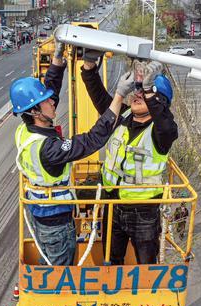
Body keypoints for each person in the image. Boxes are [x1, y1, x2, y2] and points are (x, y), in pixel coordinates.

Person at [11, 40, 130, 266]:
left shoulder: (26, 129)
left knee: (48, 260)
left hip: (42, 214)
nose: (53, 102)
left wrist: (57, 59)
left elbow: (51, 91)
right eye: (46, 101)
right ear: (35, 111)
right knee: (60, 271)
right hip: (55, 221)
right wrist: (119, 97)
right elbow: (93, 139)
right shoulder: (49, 149)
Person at [81, 51, 178, 265]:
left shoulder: (160, 133)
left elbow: (167, 125)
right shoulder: (122, 117)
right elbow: (99, 96)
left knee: (146, 264)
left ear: (158, 102)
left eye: (143, 94)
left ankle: (147, 295)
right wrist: (89, 67)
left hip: (143, 210)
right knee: (111, 259)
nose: (136, 95)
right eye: (136, 90)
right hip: (113, 203)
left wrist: (149, 91)